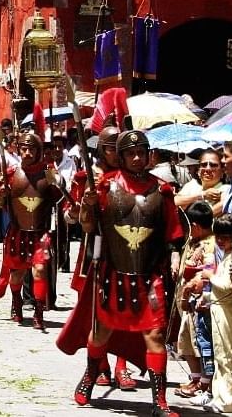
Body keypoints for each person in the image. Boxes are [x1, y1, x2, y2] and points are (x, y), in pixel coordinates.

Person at [64, 129, 185, 417]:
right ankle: (91, 375)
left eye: (141, 152)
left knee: (154, 335)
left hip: (149, 275)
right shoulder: (104, 187)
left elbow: (173, 232)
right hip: (113, 274)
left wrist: (176, 255)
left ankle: (160, 401)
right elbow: (88, 227)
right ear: (121, 156)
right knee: (100, 333)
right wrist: (88, 206)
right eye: (130, 153)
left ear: (148, 155)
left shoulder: (163, 190)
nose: (136, 157)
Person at [0, 132, 63, 329]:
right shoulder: (10, 173)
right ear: (19, 149)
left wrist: (57, 181)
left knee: (40, 270)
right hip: (18, 231)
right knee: (17, 274)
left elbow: (59, 195)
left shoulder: (47, 172)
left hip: (40, 232)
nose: (27, 152)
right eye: (24, 148)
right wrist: (1, 194)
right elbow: (0, 203)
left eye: (32, 149)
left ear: (38, 151)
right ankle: (17, 303)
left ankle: (39, 311)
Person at [171, 201, 216, 403]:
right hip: (185, 303)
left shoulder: (210, 244)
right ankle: (195, 378)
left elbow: (206, 272)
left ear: (195, 225)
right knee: (186, 342)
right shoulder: (191, 241)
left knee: (201, 344)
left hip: (197, 303)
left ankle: (204, 384)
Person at [203, 214, 232, 414]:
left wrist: (210, 276)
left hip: (229, 310)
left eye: (225, 237)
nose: (220, 240)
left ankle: (229, 400)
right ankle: (220, 396)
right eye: (218, 236)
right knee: (221, 355)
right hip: (219, 308)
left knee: (228, 356)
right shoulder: (226, 254)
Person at [175, 149, 226, 214]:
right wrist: (202, 195)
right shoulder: (191, 185)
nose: (207, 169)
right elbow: (174, 202)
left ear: (222, 171)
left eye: (213, 165)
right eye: (204, 165)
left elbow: (223, 204)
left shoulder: (226, 189)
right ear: (199, 170)